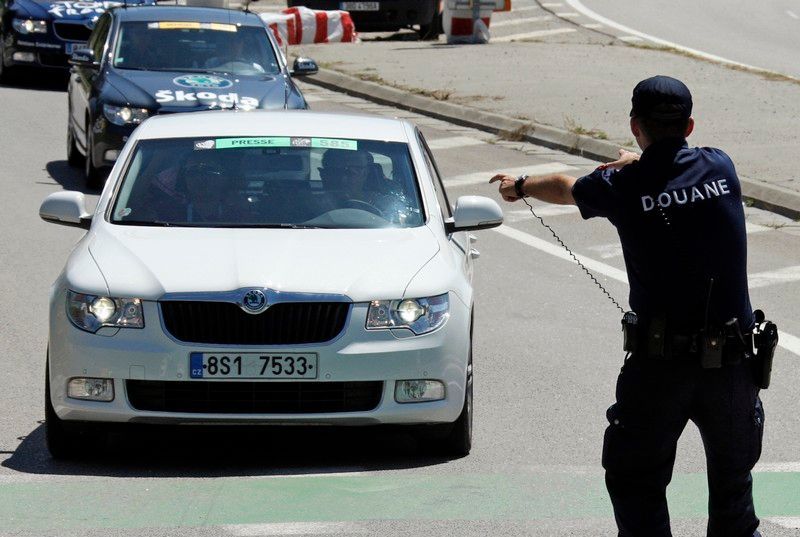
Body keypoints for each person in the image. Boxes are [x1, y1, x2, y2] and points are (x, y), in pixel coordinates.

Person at [490, 75, 764, 537]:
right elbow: (676, 170)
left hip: (661, 369)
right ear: (690, 125)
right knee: (734, 496)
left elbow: (562, 185)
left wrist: (520, 183)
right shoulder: (722, 167)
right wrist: (642, 162)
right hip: (732, 366)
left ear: (635, 126)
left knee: (637, 485)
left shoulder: (622, 186)